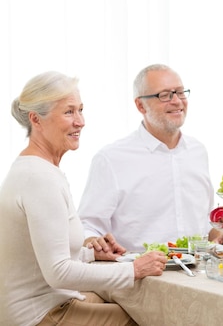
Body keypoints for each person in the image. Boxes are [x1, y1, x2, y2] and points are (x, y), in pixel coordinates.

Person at [0, 71, 167, 326]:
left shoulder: (38, 169)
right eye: (69, 112)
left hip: (51, 301)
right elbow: (58, 273)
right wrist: (133, 270)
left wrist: (92, 255)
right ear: (36, 119)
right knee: (145, 320)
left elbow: (42, 255)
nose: (80, 121)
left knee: (135, 305)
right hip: (38, 314)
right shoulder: (39, 178)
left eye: (80, 110)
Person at [78, 64, 222, 252]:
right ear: (140, 105)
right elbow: (88, 224)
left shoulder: (197, 151)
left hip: (197, 276)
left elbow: (203, 220)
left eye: (180, 92)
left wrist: (219, 233)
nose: (177, 101)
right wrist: (92, 241)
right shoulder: (111, 158)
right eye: (164, 95)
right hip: (141, 277)